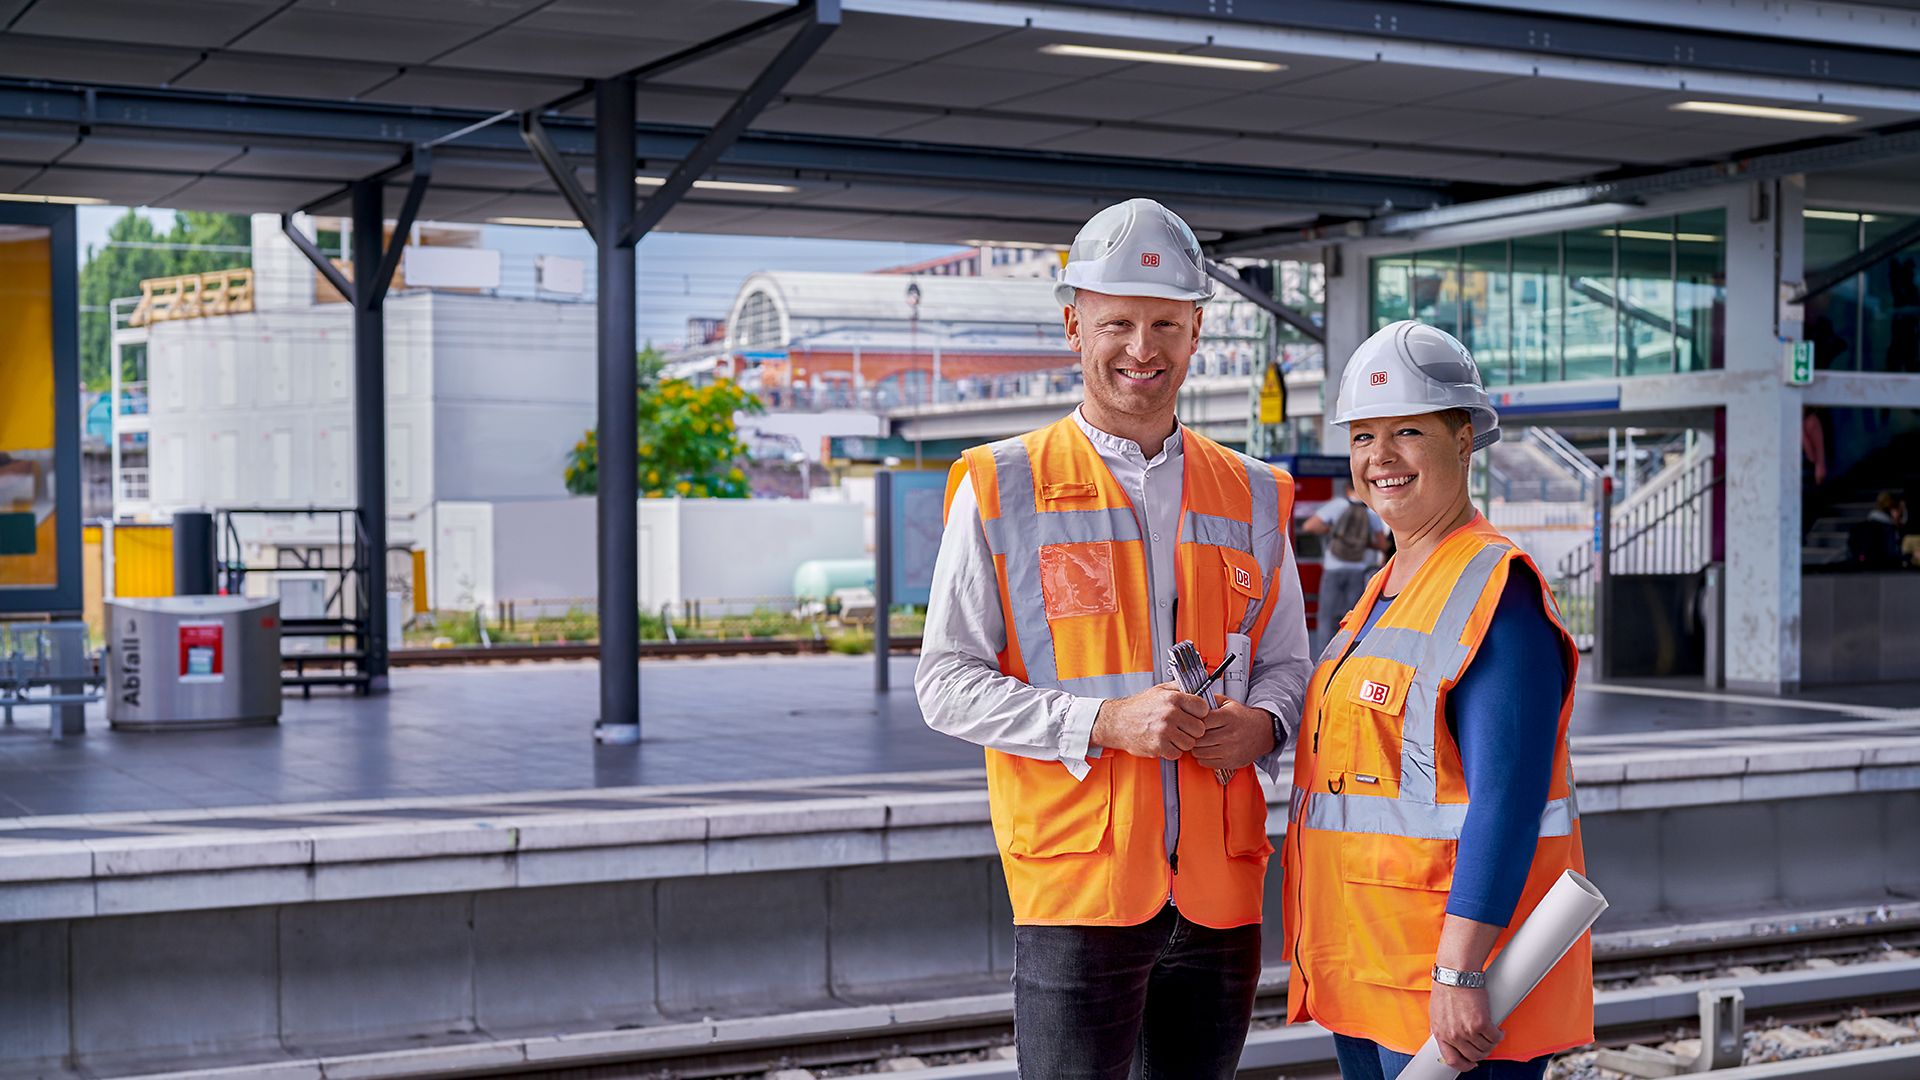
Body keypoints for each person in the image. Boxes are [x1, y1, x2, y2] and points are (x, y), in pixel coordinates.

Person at [916, 198, 1312, 1079]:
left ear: (1198, 330)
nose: (1144, 348)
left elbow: (1288, 663)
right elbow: (945, 681)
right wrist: (1101, 724)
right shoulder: (1000, 485)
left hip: (1220, 895)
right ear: (1073, 325)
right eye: (1119, 322)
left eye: (1166, 323)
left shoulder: (1253, 493)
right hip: (1079, 893)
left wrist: (1268, 727)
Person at [1281, 321, 1591, 1079]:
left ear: (1463, 439)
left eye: (1408, 432)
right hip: (1368, 971)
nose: (1380, 458)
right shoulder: (1386, 590)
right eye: (1362, 437)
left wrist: (1460, 971)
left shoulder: (1496, 589)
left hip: (1449, 986)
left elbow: (1506, 803)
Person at [1301, 479, 1387, 656]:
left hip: (1333, 569)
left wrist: (1332, 533)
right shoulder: (1370, 511)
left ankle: (1322, 659)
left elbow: (1309, 526)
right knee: (1352, 618)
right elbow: (1382, 544)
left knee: (1326, 617)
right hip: (1357, 570)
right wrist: (1363, 543)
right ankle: (1344, 657)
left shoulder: (1337, 505)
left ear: (1347, 488)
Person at [1847, 490, 1907, 569]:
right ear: (1892, 509)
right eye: (1900, 510)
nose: (1900, 514)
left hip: (1864, 569)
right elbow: (1892, 555)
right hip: (1884, 571)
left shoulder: (1866, 524)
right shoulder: (1887, 528)